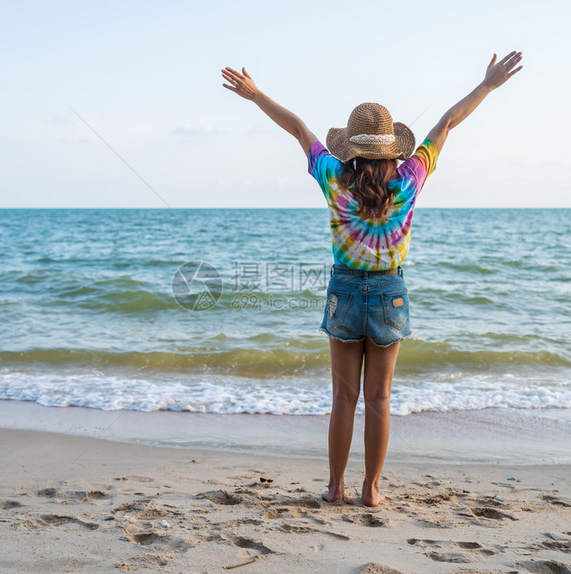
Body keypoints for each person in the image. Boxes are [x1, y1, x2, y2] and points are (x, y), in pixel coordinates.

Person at [222, 51, 523, 506]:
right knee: (379, 399)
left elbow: (300, 130)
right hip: (389, 291)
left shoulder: (333, 178)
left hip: (344, 289)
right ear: (391, 147)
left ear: (351, 147)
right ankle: (372, 490)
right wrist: (487, 86)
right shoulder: (410, 178)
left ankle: (335, 488)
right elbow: (446, 124)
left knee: (343, 398)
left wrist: (257, 95)